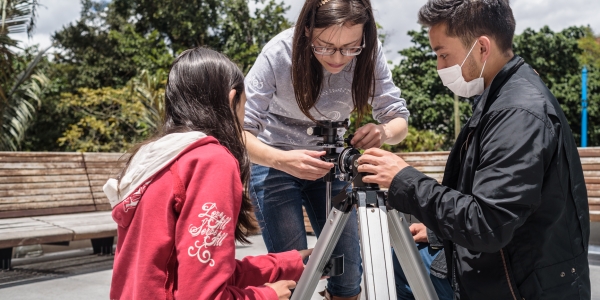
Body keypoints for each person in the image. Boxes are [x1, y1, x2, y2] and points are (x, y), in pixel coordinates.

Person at [357, 0, 591, 299]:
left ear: (482, 47)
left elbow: (487, 224)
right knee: (396, 264)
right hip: (506, 268)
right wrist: (438, 233)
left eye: (443, 54)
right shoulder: (501, 97)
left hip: (520, 287)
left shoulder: (517, 113)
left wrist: (403, 178)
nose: (439, 67)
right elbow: (503, 205)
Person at [104, 47, 310, 299]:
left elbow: (192, 270)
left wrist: (286, 265)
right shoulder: (210, 161)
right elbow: (202, 294)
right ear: (231, 99)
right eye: (243, 108)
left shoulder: (154, 159)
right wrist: (266, 296)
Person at [243, 0, 411, 299]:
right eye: (326, 46)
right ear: (307, 31)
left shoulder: (369, 54)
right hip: (274, 165)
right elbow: (240, 133)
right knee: (293, 272)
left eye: (350, 47)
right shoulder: (277, 53)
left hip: (333, 168)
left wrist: (383, 131)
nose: (339, 58)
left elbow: (399, 120)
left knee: (347, 275)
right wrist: (282, 160)